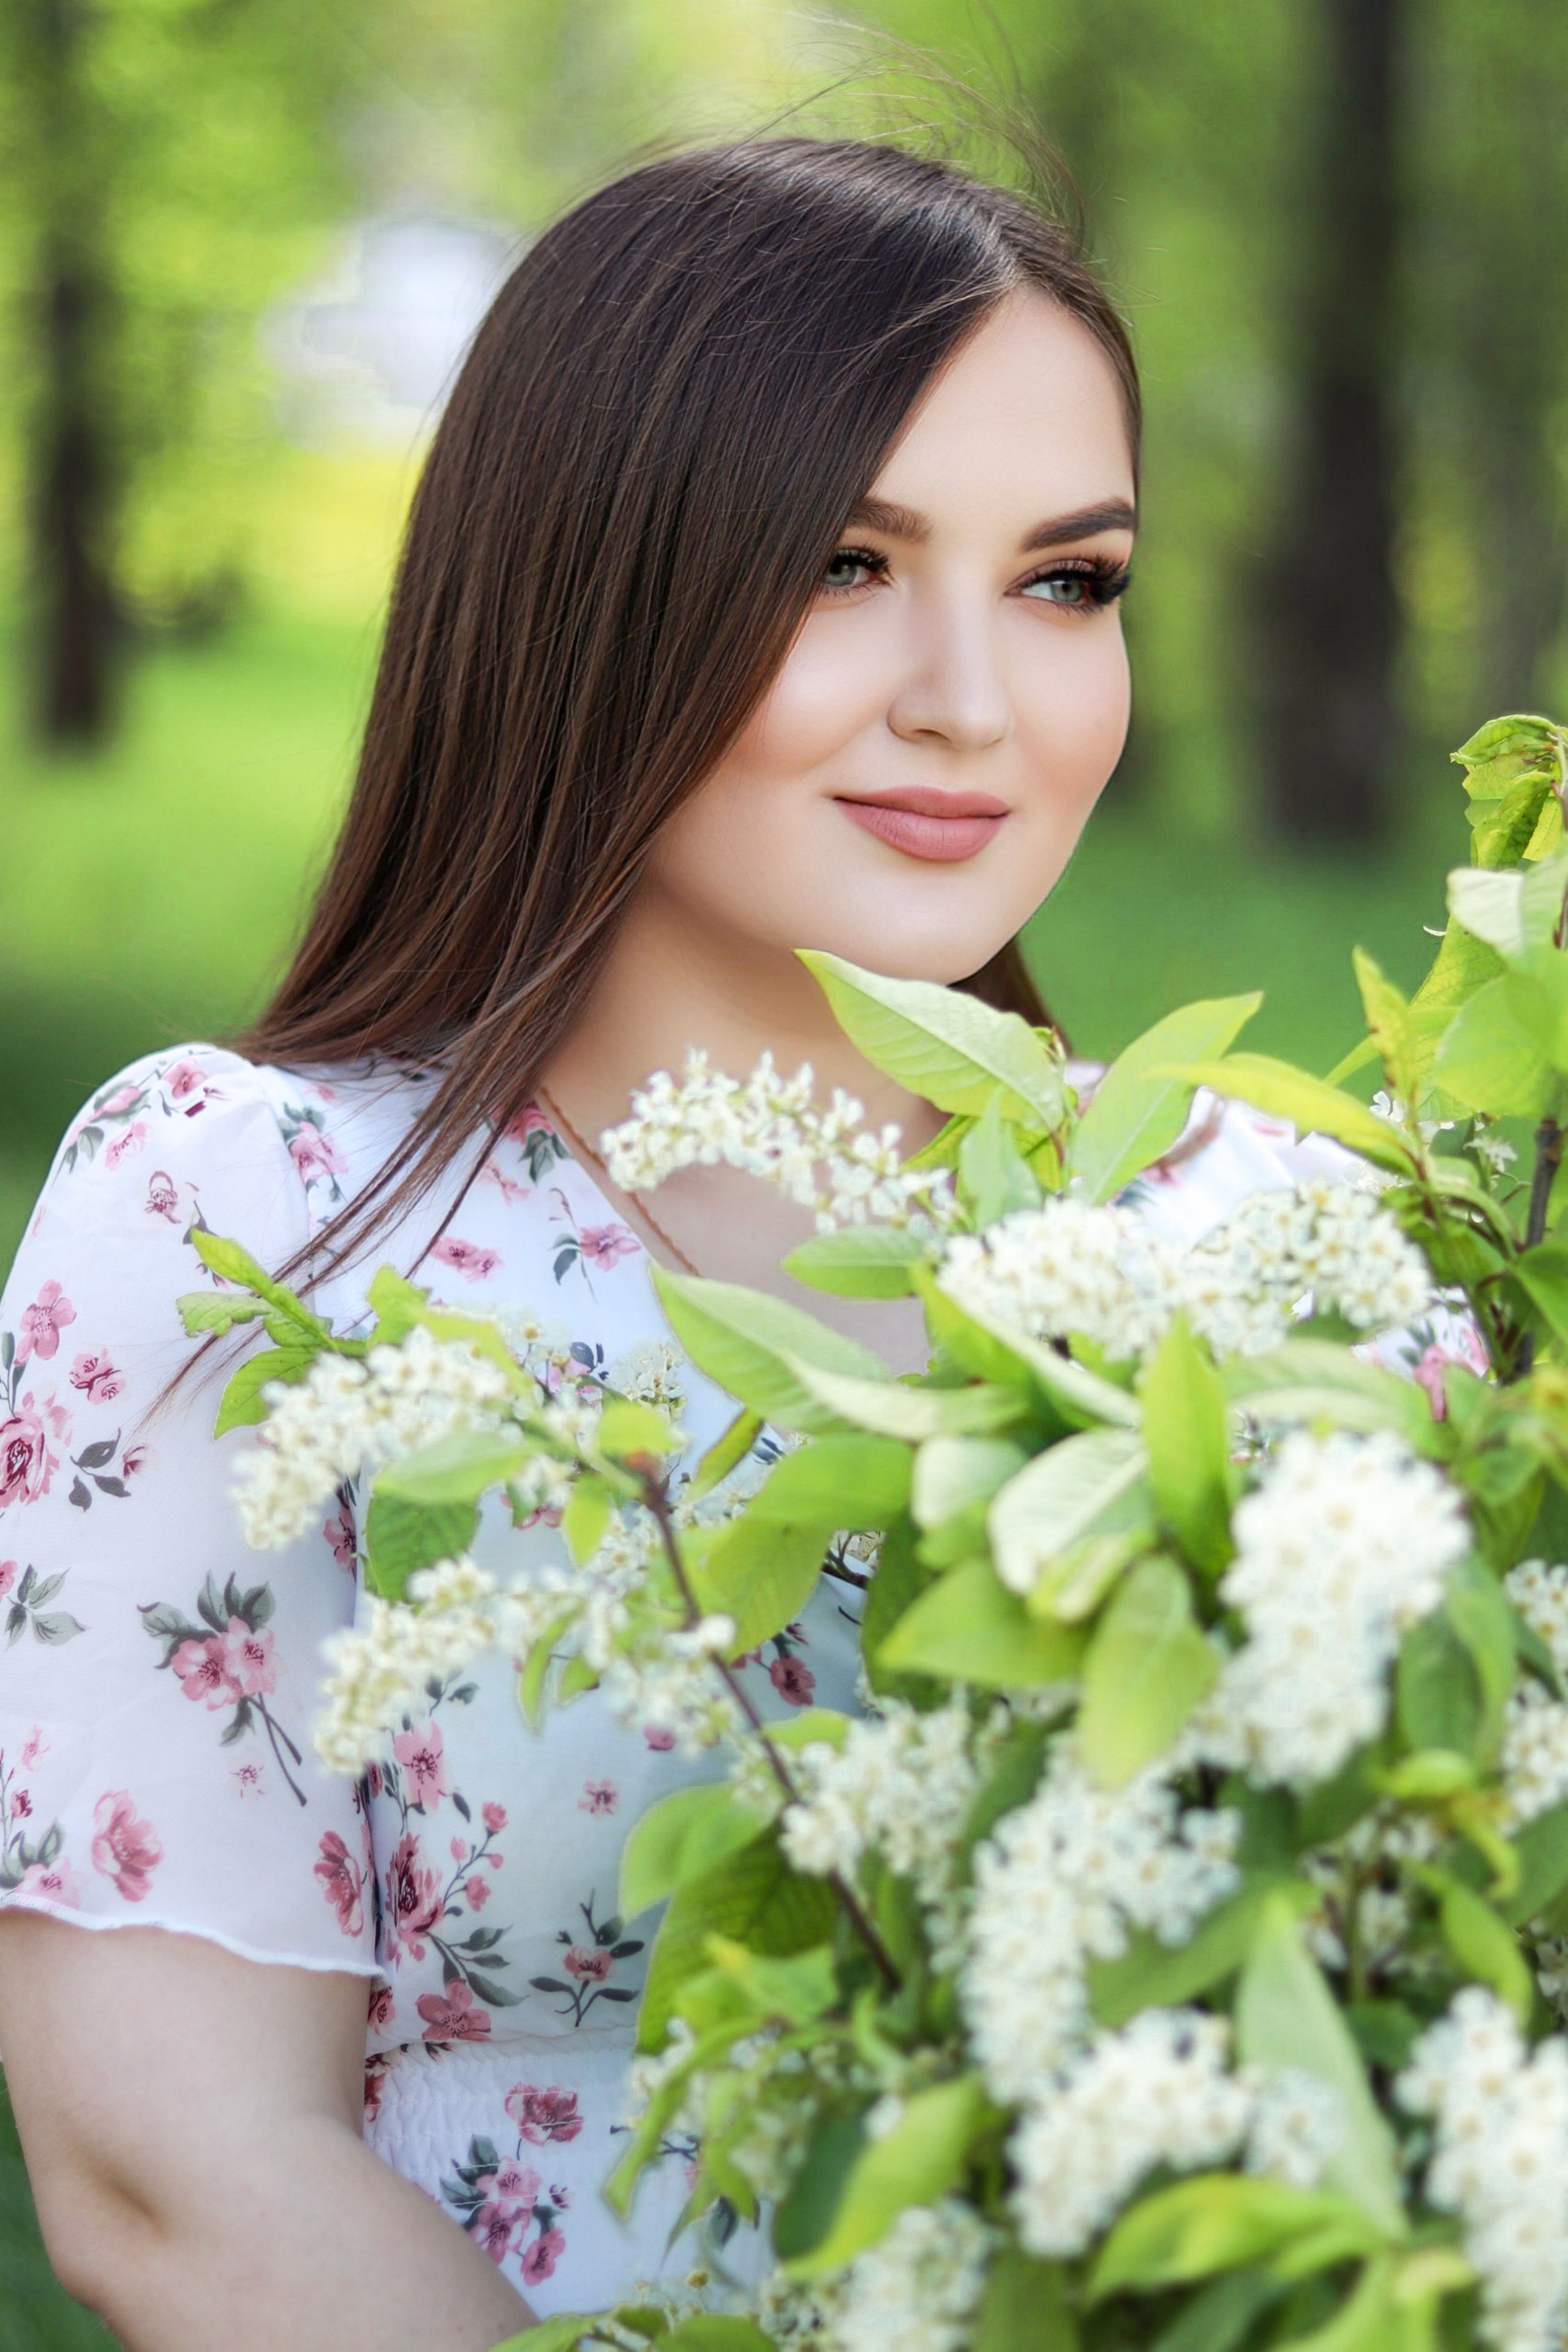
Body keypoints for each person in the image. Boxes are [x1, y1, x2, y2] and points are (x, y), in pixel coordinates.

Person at [0, 136, 1336, 2350]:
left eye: (1066, 581)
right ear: (592, 588)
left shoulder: (1280, 1238)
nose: (972, 700)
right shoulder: (254, 1223)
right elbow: (177, 2177)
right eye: (843, 562)